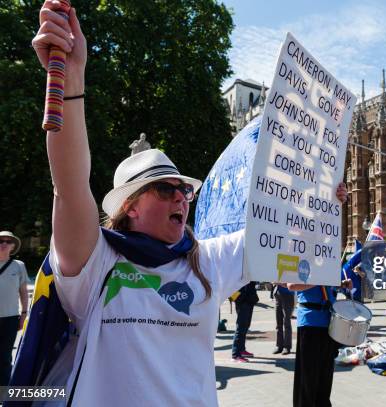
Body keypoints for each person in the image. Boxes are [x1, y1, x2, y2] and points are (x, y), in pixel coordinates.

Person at [31, 3, 348, 405]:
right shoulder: (96, 264)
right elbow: (69, 185)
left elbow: (296, 265)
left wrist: (324, 208)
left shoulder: (209, 261)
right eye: (166, 189)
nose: (181, 196)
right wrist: (71, 76)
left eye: (184, 190)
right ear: (130, 206)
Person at [287, 278, 352, 407]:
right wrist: (321, 278)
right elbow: (292, 285)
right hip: (310, 321)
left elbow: (329, 288)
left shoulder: (330, 263)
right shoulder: (305, 259)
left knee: (325, 375)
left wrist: (341, 284)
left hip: (330, 322)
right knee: (307, 375)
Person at [0, 231, 29, 386]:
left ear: (12, 246)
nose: (4, 244)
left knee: (5, 357)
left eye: (8, 242)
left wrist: (24, 314)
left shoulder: (19, 266)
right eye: (1, 241)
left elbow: (23, 292)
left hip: (10, 318)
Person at [231, 281, 259, 362]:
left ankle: (241, 350)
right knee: (241, 327)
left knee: (245, 326)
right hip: (242, 299)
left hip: (248, 298)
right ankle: (236, 354)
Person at [273, 283, 295, 355]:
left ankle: (287, 346)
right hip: (277, 293)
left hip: (287, 294)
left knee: (286, 322)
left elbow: (291, 283)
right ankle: (279, 346)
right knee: (278, 322)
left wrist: (278, 283)